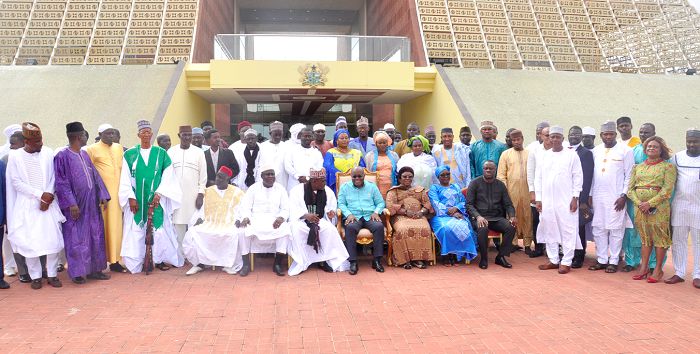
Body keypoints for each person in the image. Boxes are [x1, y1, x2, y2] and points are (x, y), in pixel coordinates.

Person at [6, 122, 65, 289]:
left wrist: (48, 196)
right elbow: (16, 182)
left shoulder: (47, 152)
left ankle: (52, 275)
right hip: (28, 205)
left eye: (41, 140)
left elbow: (54, 177)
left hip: (49, 204)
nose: (40, 143)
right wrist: (39, 195)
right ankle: (36, 277)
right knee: (31, 242)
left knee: (52, 241)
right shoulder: (15, 156)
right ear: (26, 141)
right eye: (36, 141)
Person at [119, 120, 183, 273]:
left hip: (156, 199)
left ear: (152, 135)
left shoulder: (161, 154)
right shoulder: (129, 154)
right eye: (143, 132)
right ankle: (139, 260)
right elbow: (125, 178)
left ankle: (158, 260)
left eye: (149, 132)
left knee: (159, 230)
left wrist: (159, 193)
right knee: (136, 230)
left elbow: (168, 175)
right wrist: (130, 197)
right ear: (138, 135)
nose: (146, 134)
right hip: (137, 200)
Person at [54, 122, 111, 284]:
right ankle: (78, 273)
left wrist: (102, 195)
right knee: (77, 238)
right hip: (76, 206)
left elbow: (95, 176)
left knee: (96, 235)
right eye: (85, 135)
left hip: (92, 204)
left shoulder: (84, 154)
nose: (87, 137)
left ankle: (95, 270)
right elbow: (61, 182)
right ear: (79, 137)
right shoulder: (62, 156)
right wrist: (71, 204)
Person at [534, 126, 583, 274]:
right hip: (547, 200)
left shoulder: (572, 155)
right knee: (549, 228)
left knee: (568, 230)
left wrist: (575, 197)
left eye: (557, 137)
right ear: (548, 138)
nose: (554, 139)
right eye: (552, 137)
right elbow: (538, 178)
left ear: (562, 139)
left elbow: (578, 177)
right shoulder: (544, 156)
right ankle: (554, 260)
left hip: (566, 199)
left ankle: (566, 261)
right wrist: (539, 198)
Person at [627, 136, 676, 283]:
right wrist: (639, 203)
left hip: (659, 209)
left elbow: (667, 190)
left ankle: (658, 269)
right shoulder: (638, 167)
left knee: (660, 239)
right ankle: (644, 268)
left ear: (661, 150)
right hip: (640, 209)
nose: (651, 148)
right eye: (649, 146)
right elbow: (630, 190)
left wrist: (650, 203)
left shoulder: (668, 167)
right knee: (645, 239)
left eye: (655, 147)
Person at [589, 121, 634, 273]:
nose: (608, 137)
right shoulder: (596, 150)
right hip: (597, 196)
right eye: (605, 134)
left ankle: (614, 260)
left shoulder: (625, 150)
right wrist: (589, 194)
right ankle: (602, 259)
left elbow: (630, 175)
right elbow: (592, 176)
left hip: (616, 197)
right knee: (599, 228)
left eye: (611, 134)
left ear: (615, 135)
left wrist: (624, 195)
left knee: (615, 229)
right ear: (601, 135)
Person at [182, 166, 245, 276]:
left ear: (228, 179)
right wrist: (198, 219)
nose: (217, 180)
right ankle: (199, 264)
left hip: (228, 223)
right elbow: (201, 210)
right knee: (193, 232)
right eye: (217, 176)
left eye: (221, 178)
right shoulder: (208, 191)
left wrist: (239, 219)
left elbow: (242, 209)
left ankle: (228, 265)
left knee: (234, 233)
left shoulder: (237, 192)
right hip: (210, 222)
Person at [287, 168, 349, 275]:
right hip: (301, 221)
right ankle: (302, 261)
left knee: (330, 230)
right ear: (314, 181)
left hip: (320, 220)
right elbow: (292, 209)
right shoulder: (297, 190)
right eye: (323, 181)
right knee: (296, 230)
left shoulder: (327, 191)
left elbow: (331, 208)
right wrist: (305, 215)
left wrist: (330, 214)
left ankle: (324, 260)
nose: (325, 183)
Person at [236, 165, 291, 277]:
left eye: (272, 174)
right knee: (242, 231)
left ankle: (277, 264)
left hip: (274, 220)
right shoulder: (253, 188)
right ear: (261, 176)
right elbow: (245, 206)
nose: (270, 176)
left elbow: (286, 208)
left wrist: (281, 217)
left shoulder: (280, 189)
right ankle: (245, 264)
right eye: (267, 174)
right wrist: (246, 217)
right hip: (256, 219)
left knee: (285, 229)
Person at [86, 126, 125, 273]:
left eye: (113, 133)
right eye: (107, 133)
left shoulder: (119, 148)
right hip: (102, 197)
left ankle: (115, 261)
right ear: (100, 134)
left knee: (116, 229)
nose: (111, 136)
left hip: (118, 196)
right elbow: (89, 173)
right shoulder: (91, 149)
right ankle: (100, 262)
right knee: (101, 229)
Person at [622, 123, 660, 272]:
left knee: (653, 232)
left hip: (656, 202)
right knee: (633, 231)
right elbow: (629, 175)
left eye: (647, 132)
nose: (644, 135)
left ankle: (652, 265)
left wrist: (654, 202)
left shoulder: (661, 152)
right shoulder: (634, 151)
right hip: (635, 201)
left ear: (654, 133)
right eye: (641, 132)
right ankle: (632, 261)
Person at [465, 161, 516, 269]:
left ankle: (501, 256)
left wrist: (512, 216)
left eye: (491, 168)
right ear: (483, 169)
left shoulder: (500, 185)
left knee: (511, 227)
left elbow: (508, 204)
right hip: (480, 217)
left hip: (496, 217)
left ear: (495, 170)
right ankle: (484, 258)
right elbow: (469, 204)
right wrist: (478, 216)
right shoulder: (474, 183)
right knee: (483, 228)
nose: (488, 170)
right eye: (486, 168)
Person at [667, 129, 700, 288]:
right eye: (689, 141)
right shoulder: (677, 158)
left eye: (695, 141)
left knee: (698, 241)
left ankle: (698, 274)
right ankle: (679, 272)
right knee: (678, 240)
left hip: (698, 206)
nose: (691, 144)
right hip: (679, 205)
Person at [338, 167, 386, 275]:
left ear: (364, 176)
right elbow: (341, 203)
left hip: (370, 216)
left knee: (379, 227)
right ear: (351, 177)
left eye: (359, 176)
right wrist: (348, 214)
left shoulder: (372, 187)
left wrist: (376, 212)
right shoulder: (345, 187)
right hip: (354, 216)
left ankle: (377, 260)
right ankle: (353, 262)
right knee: (350, 228)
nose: (357, 178)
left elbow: (380, 203)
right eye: (354, 176)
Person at [429, 166, 479, 266]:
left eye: (447, 174)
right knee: (446, 228)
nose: (445, 177)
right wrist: (451, 212)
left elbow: (463, 202)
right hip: (440, 216)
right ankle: (446, 255)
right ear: (438, 177)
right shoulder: (434, 188)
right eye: (442, 175)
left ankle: (456, 254)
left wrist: (456, 208)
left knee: (462, 226)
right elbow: (436, 204)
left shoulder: (455, 187)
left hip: (457, 214)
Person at [168, 125, 207, 253]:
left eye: (189, 135)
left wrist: (201, 194)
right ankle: (180, 255)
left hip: (193, 196)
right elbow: (167, 175)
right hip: (176, 196)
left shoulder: (199, 152)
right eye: (184, 135)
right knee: (178, 225)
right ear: (179, 136)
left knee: (194, 225)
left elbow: (203, 177)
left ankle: (194, 254)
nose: (187, 137)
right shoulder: (171, 152)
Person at [386, 166, 434, 269]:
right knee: (403, 230)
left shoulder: (420, 190)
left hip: (418, 216)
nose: (407, 178)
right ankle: (404, 260)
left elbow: (427, 204)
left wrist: (422, 212)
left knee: (425, 229)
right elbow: (390, 206)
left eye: (410, 176)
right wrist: (406, 212)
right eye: (404, 176)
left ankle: (418, 259)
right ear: (399, 178)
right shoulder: (394, 191)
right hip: (401, 216)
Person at [497, 129, 531, 252]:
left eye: (518, 139)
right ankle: (513, 243)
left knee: (528, 216)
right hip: (511, 191)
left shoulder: (530, 154)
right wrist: (504, 193)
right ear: (511, 141)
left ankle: (527, 244)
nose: (516, 142)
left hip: (527, 191)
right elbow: (501, 176)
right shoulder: (505, 154)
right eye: (514, 140)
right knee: (512, 216)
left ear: (522, 139)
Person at [567, 126, 594, 268]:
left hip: (578, 198)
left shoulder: (585, 154)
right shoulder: (565, 151)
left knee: (579, 228)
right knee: (567, 227)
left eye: (577, 134)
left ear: (581, 136)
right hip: (565, 196)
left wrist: (582, 201)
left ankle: (579, 255)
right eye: (571, 134)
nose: (574, 136)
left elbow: (587, 178)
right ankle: (568, 253)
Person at [526, 126, 551, 258]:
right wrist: (532, 192)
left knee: (552, 220)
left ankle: (554, 247)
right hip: (538, 191)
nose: (549, 138)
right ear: (540, 136)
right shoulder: (534, 151)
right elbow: (530, 173)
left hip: (554, 192)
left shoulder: (559, 150)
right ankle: (538, 247)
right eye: (546, 135)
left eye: (551, 135)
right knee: (537, 220)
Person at [2, 131, 23, 278]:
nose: (11, 146)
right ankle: (9, 266)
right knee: (9, 240)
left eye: (14, 143)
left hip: (26, 206)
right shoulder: (6, 159)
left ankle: (26, 270)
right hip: (9, 207)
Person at [284, 127, 324, 192]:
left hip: (311, 183)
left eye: (309, 136)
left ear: (313, 137)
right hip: (295, 183)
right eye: (305, 136)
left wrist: (309, 178)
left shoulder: (316, 152)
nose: (307, 138)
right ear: (300, 137)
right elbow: (288, 166)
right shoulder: (292, 150)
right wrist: (298, 177)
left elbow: (319, 167)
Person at [365, 130, 399, 197]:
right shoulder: (369, 156)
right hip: (375, 187)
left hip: (391, 186)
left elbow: (397, 172)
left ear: (387, 143)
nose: (382, 145)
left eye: (384, 143)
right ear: (376, 144)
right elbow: (367, 173)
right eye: (380, 143)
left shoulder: (394, 155)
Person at [259, 121, 288, 190]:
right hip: (266, 179)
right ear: (270, 133)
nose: (278, 136)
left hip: (282, 178)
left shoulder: (286, 146)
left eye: (280, 134)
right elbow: (259, 164)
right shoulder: (262, 146)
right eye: (275, 134)